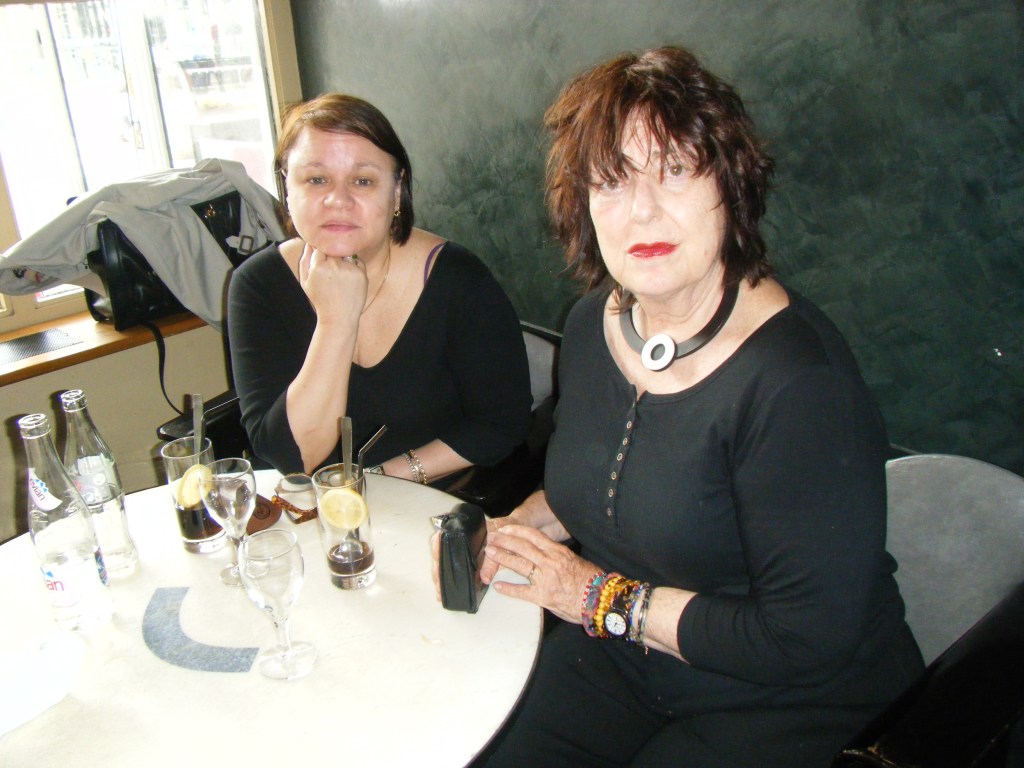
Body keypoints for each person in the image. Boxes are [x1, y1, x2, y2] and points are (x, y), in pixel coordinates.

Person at [469, 47, 924, 767]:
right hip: (627, 654)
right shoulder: (591, 325)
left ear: (732, 185)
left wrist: (592, 596)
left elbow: (802, 638)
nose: (642, 209)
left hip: (789, 695)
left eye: (676, 170)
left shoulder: (797, 385)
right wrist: (515, 532)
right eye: (611, 180)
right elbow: (605, 484)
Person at [228, 93, 532, 483]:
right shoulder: (257, 286)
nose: (338, 200)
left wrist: (381, 478)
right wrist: (336, 322)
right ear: (288, 187)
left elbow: (501, 423)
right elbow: (292, 458)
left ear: (397, 190)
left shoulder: (459, 281)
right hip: (316, 504)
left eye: (363, 180)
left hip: (432, 497)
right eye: (316, 179)